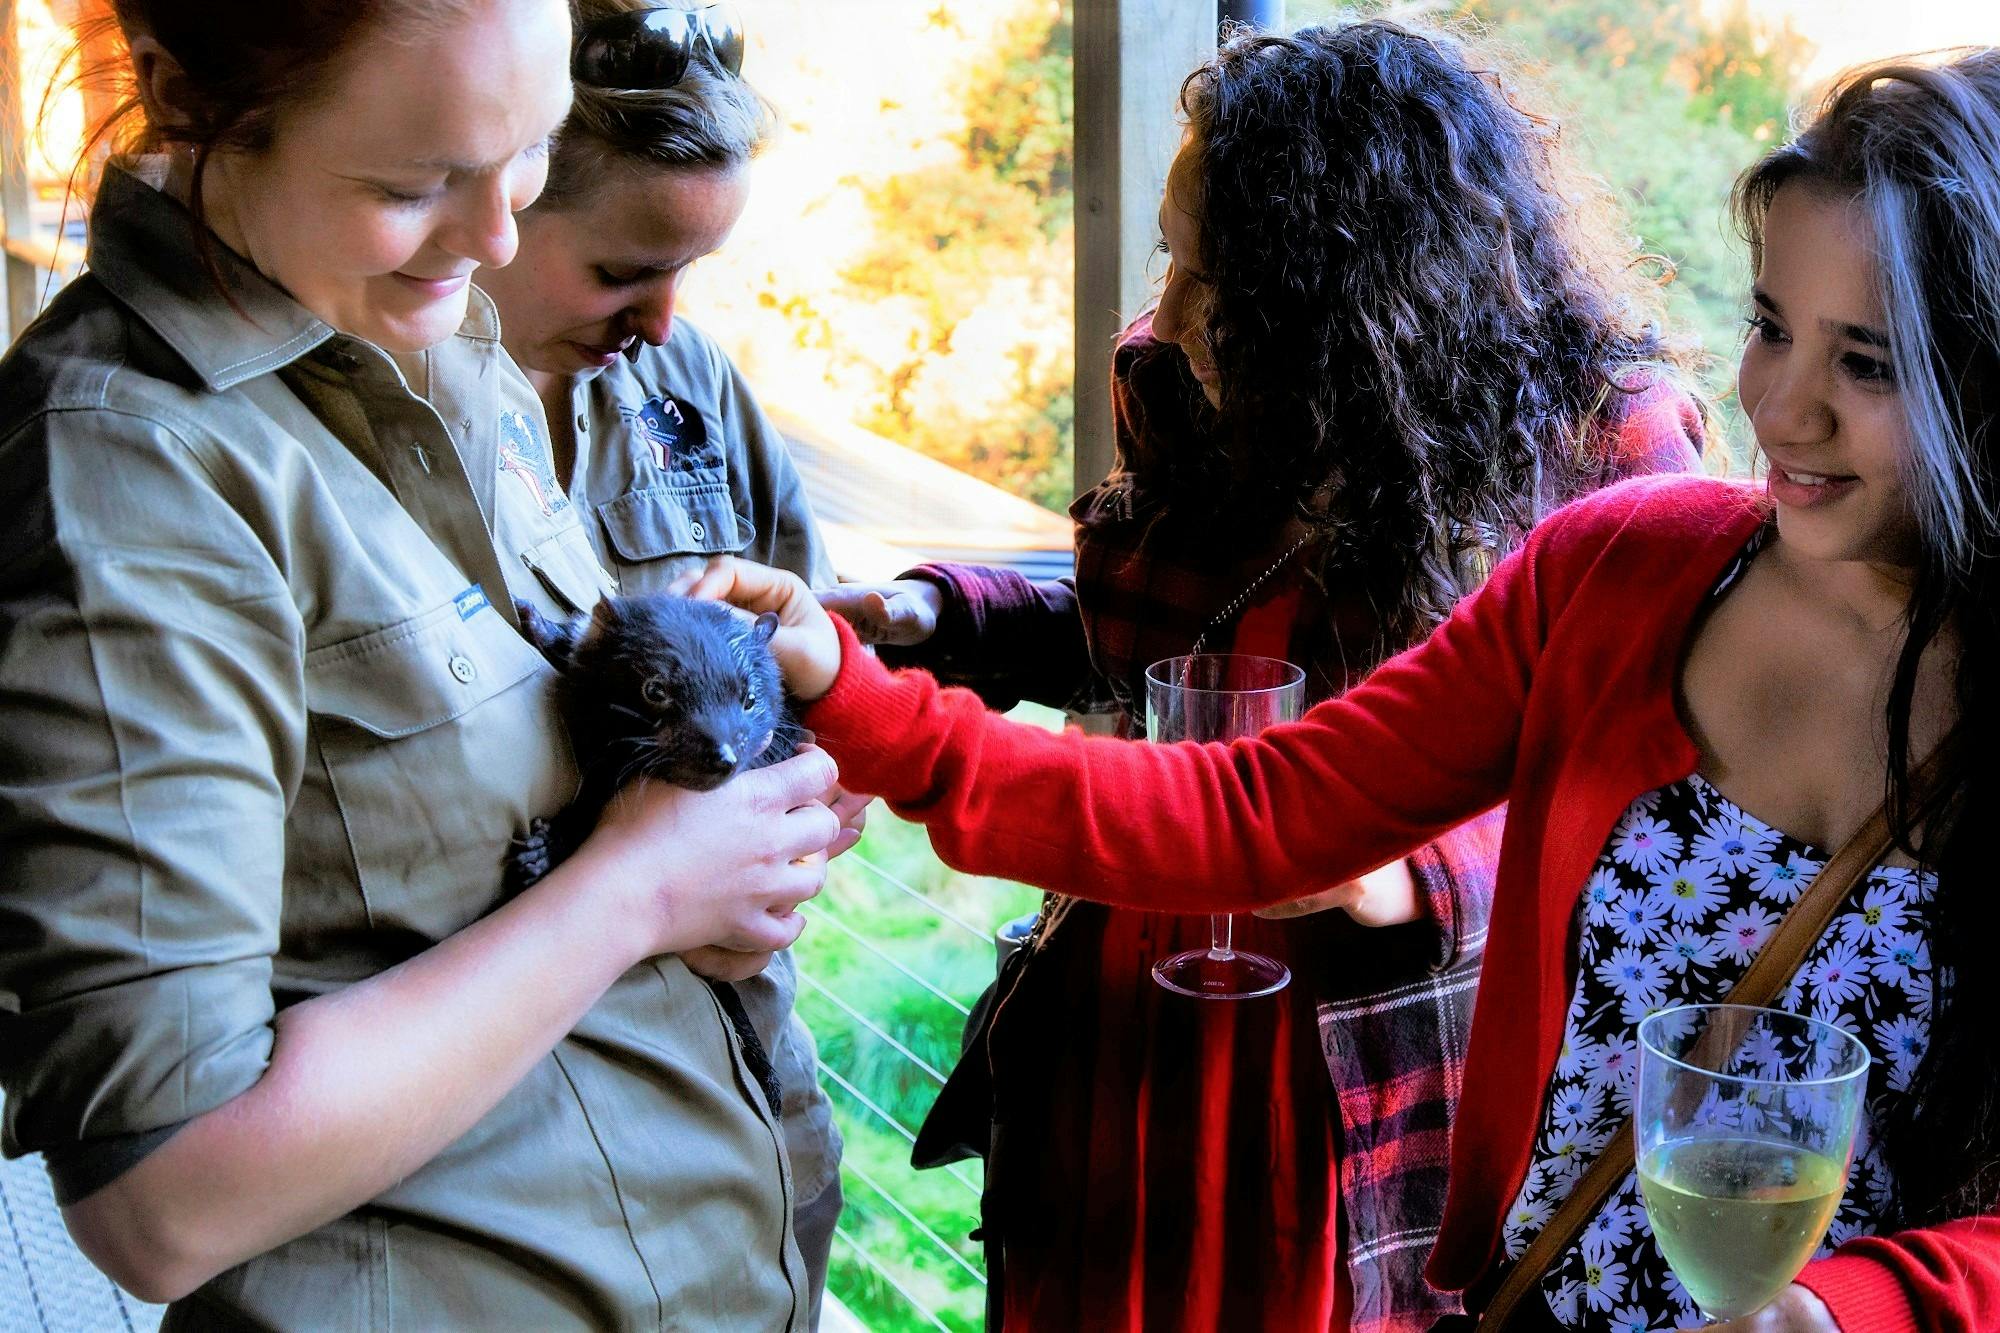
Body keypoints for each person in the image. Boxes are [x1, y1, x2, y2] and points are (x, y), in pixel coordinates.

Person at [696, 45, 2000, 1333]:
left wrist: (1858, 1309)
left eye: (1866, 363)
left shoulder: (1605, 444)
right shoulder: (1628, 569)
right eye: (1769, 325)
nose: (1779, 405)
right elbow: (1255, 805)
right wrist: (857, 694)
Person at [818, 20, 1701, 1332]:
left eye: (1209, 278)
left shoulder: (1597, 453)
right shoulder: (1185, 393)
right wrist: (942, 613)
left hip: (1377, 1069)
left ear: (1344, 295)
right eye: (1171, 257)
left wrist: (1411, 869)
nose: (1165, 320)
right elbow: (1159, 649)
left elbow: (1667, 789)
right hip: (1133, 1027)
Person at [0, 3, 841, 1328]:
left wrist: (736, 827)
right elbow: (162, 1200)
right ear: (178, 94)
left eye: (531, 151)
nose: (499, 237)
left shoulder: (439, 338)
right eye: (415, 183)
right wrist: (640, 891)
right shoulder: (132, 470)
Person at [471, 0, 849, 1311]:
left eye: (693, 274)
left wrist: (812, 819)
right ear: (498, 193)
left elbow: (822, 655)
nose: (666, 320)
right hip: (516, 1165)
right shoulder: (371, 452)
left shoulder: (683, 394)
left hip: (751, 1101)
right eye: (626, 273)